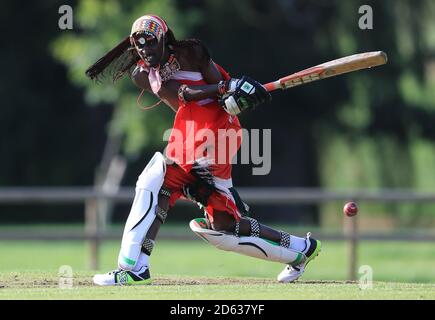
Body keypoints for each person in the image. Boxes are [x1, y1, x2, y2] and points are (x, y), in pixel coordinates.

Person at [86, 14, 321, 286]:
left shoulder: (191, 52)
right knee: (222, 228)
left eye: (151, 43)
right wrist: (226, 88)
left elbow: (222, 96)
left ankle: (134, 269)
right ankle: (302, 249)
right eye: (139, 45)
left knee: (155, 178)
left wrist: (237, 96)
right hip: (191, 133)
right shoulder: (141, 75)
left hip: (217, 132)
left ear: (163, 39)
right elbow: (184, 95)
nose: (145, 50)